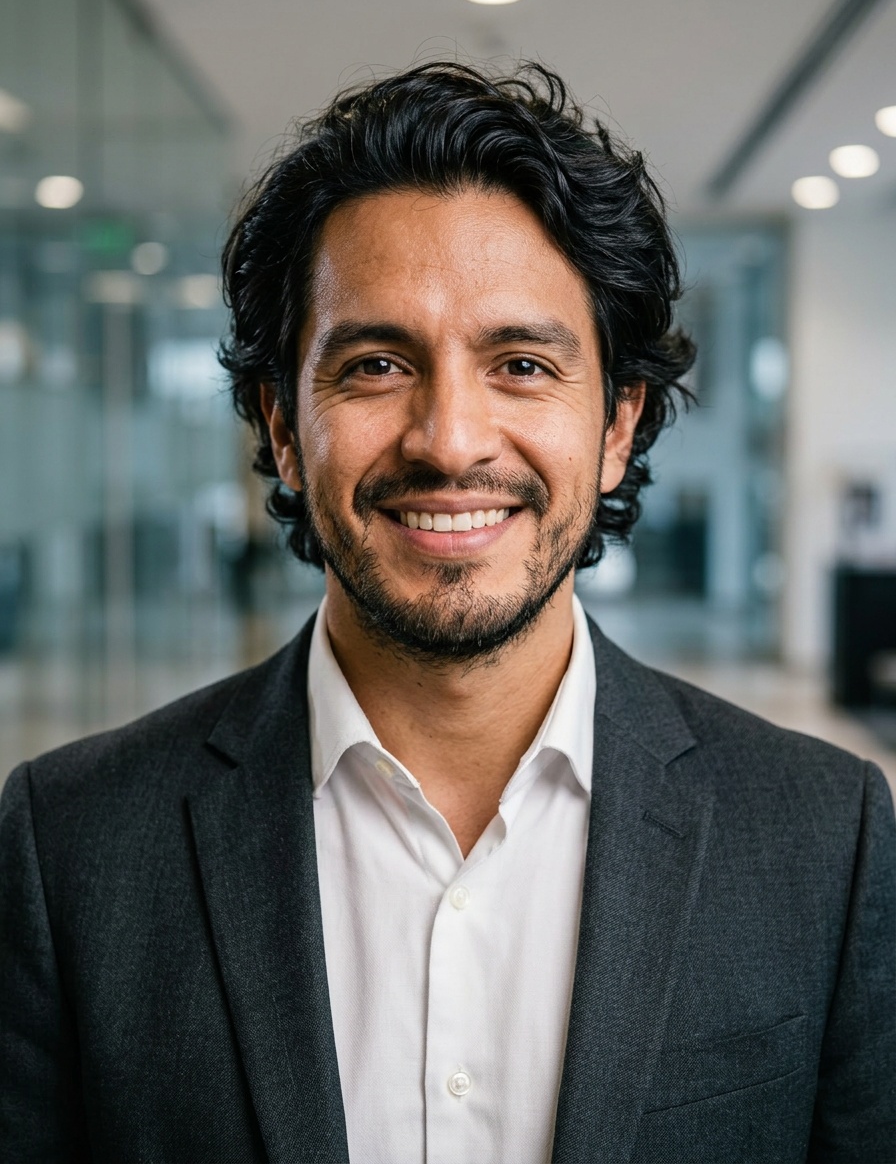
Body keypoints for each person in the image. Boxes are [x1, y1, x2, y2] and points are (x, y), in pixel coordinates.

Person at [0, 62, 893, 1164]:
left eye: (520, 364)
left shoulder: (822, 833)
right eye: (375, 364)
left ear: (617, 425)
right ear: (282, 425)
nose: (449, 440)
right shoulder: (71, 841)